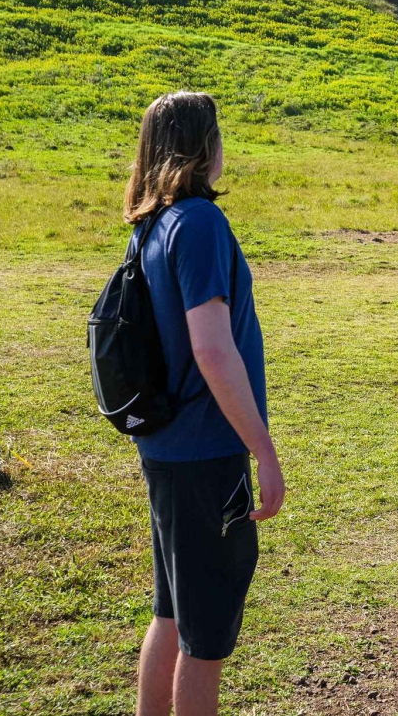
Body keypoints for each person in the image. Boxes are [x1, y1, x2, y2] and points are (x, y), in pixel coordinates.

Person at [122, 91, 285, 716]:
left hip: (165, 448)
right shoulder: (200, 223)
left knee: (171, 610)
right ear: (202, 146)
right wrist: (263, 451)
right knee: (205, 637)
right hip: (206, 455)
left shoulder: (152, 225)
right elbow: (214, 351)